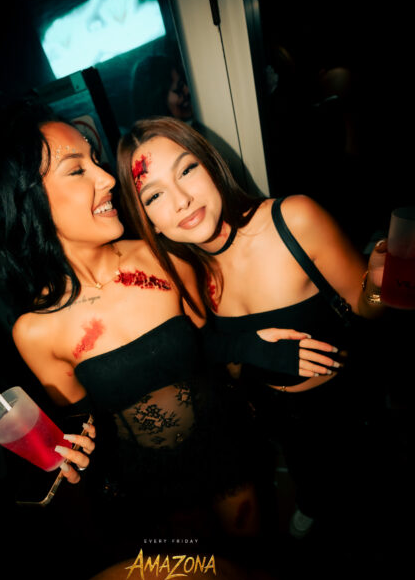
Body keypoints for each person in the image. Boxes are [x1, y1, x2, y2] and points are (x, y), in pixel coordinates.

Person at [0, 101, 341, 560]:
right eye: (77, 170)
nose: (108, 178)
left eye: (95, 159)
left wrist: (252, 347)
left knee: (255, 563)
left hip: (223, 452)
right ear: (29, 203)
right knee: (198, 578)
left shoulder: (160, 257)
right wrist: (70, 455)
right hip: (149, 488)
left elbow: (206, 344)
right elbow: (82, 427)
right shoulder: (35, 331)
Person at [116, 115, 387, 539]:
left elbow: (367, 307)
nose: (182, 200)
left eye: (186, 170)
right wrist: (249, 347)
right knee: (306, 475)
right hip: (273, 412)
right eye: (154, 195)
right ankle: (310, 501)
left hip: (343, 409)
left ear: (211, 165)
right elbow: (198, 345)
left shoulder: (293, 220)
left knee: (365, 503)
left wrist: (382, 286)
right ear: (148, 220)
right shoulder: (183, 272)